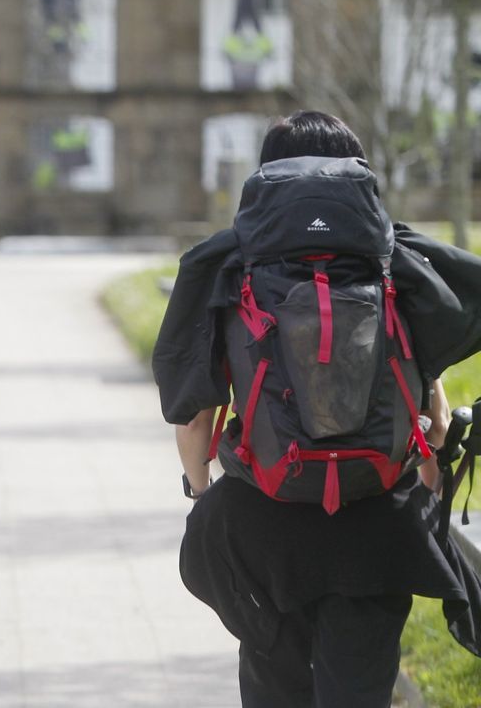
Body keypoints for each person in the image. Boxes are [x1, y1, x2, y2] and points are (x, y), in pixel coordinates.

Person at [156, 110, 481, 707]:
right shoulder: (388, 257)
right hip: (377, 521)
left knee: (273, 687)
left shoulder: (235, 263)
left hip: (262, 518)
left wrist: (204, 492)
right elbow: (428, 405)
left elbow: (195, 415)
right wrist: (428, 490)